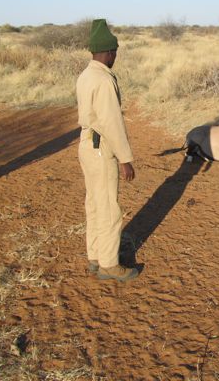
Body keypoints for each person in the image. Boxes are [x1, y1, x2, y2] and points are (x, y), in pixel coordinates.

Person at [76, 19, 138, 282]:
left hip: (86, 144)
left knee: (94, 203)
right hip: (102, 147)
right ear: (110, 52)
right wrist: (125, 159)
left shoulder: (86, 74)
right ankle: (109, 265)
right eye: (115, 53)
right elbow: (112, 123)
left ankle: (95, 255)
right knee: (109, 208)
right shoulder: (103, 79)